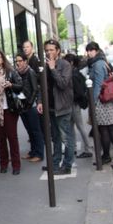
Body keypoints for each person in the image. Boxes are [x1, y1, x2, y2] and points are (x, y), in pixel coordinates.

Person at [37, 39, 75, 175]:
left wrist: (53, 69)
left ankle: (67, 165)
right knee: (55, 137)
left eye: (51, 50)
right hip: (51, 107)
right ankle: (55, 163)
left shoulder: (65, 65)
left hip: (63, 107)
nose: (49, 52)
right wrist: (40, 101)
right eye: (46, 50)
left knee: (66, 138)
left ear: (58, 50)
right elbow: (42, 86)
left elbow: (63, 84)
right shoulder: (45, 65)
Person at [86, 42, 113, 168]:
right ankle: (107, 155)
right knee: (106, 129)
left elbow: (97, 85)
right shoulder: (101, 61)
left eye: (91, 50)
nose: (89, 53)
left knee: (108, 129)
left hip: (101, 101)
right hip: (105, 100)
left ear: (96, 50)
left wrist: (93, 103)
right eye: (88, 50)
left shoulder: (97, 64)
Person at [0, 49, 24, 174]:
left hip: (9, 109)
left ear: (3, 59)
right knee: (1, 138)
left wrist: (11, 85)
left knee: (12, 138)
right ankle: (3, 163)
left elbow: (20, 85)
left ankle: (16, 165)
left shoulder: (10, 72)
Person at [15, 52, 44, 162]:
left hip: (30, 105)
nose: (18, 63)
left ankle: (39, 153)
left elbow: (35, 89)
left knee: (35, 130)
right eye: (16, 61)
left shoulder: (30, 72)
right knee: (29, 130)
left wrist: (30, 102)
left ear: (25, 61)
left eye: (20, 61)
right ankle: (32, 151)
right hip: (22, 105)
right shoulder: (17, 73)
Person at [63, 54, 93, 159]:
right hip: (73, 103)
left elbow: (79, 92)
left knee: (78, 126)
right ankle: (74, 148)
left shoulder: (73, 75)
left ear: (71, 63)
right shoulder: (76, 73)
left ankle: (87, 149)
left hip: (73, 103)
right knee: (72, 127)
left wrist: (71, 97)